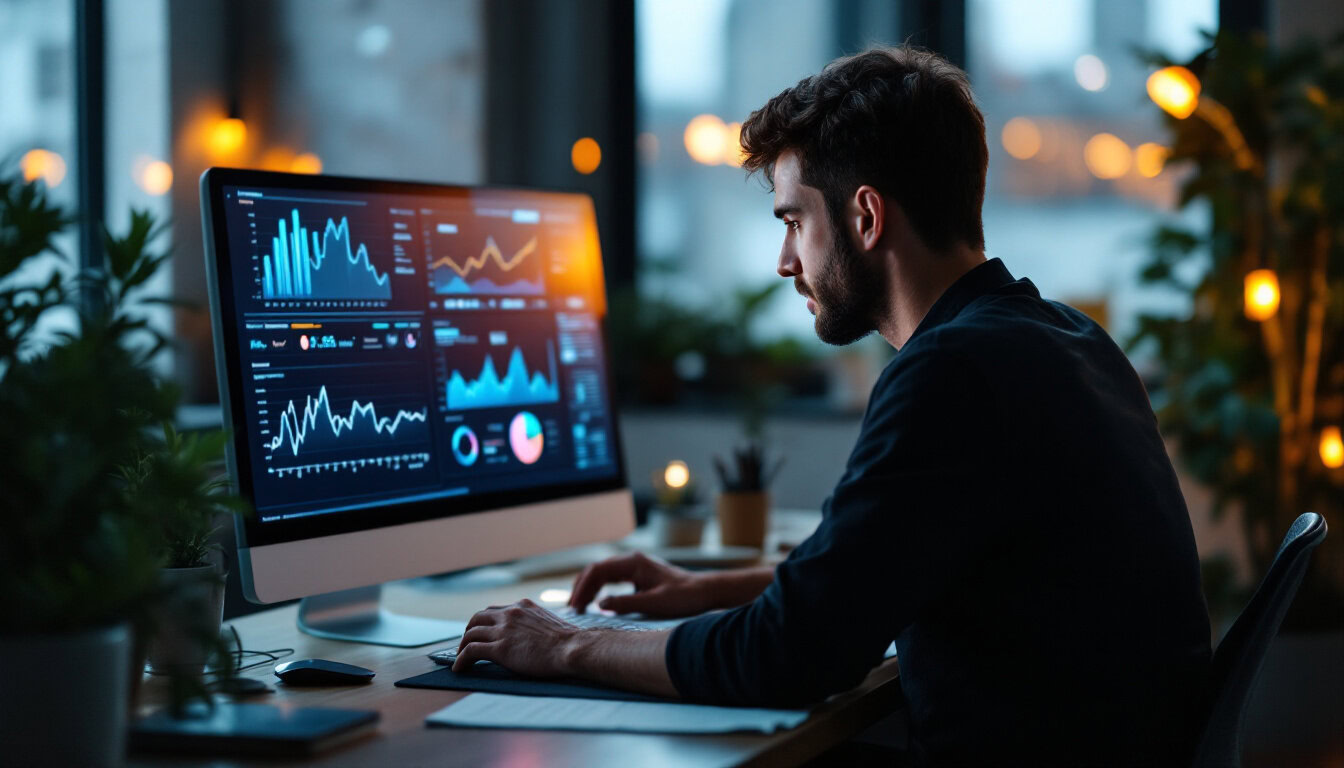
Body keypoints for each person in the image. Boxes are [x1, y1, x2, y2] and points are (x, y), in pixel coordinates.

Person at [453, 46, 1212, 766]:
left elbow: (786, 656)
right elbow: (884, 571)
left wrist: (564, 645)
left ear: (866, 217)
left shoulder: (950, 372)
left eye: (792, 222)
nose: (785, 262)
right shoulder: (1066, 339)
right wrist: (708, 589)